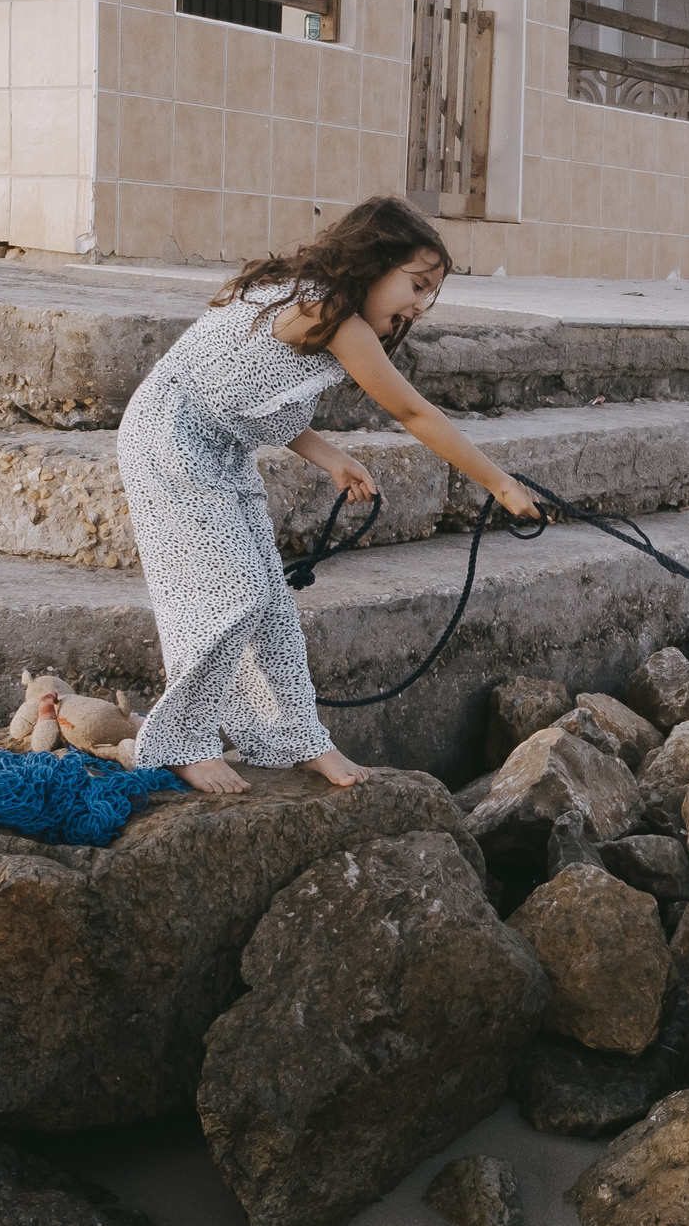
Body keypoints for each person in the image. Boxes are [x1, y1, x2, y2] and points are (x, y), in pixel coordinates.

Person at [116, 195, 539, 794]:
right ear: (371, 262)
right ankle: (181, 743)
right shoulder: (326, 312)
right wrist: (497, 482)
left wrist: (330, 456)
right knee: (225, 597)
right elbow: (411, 411)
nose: (419, 305)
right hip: (169, 439)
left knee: (267, 601)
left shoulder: (322, 306)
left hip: (217, 442)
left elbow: (249, 394)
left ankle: (296, 738)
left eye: (428, 293)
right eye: (415, 285)